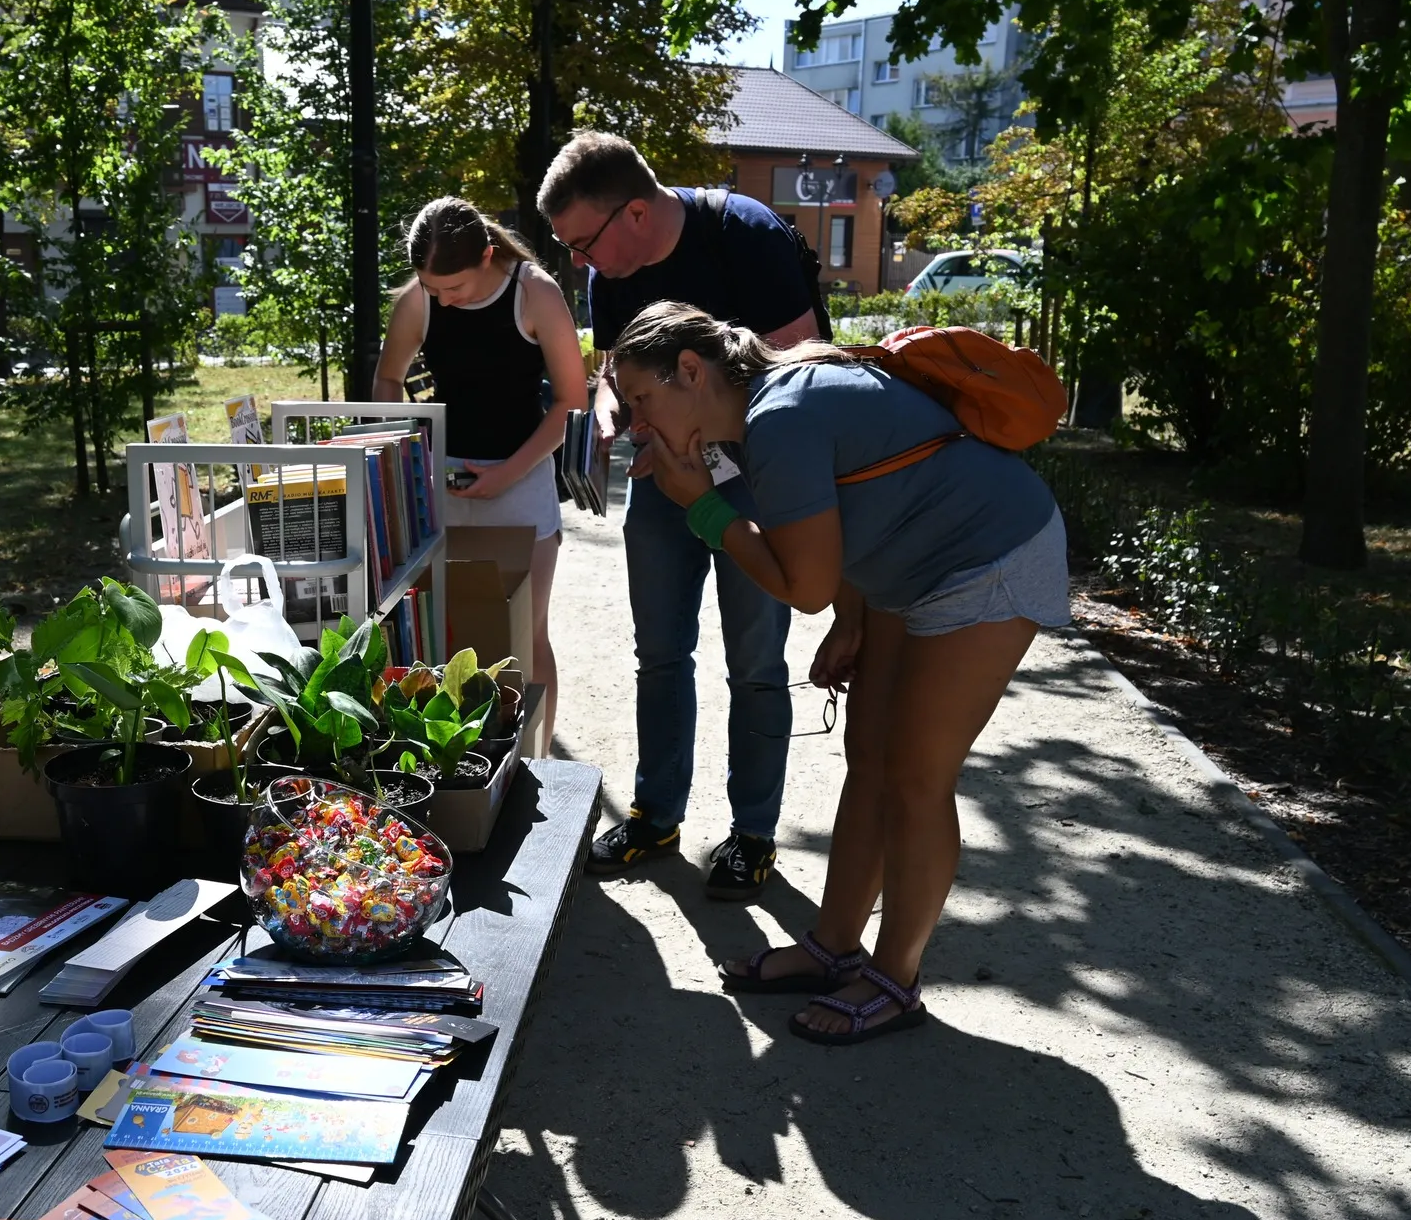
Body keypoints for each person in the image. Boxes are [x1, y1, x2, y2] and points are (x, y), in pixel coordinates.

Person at [606, 302, 1069, 1045]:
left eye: (641, 399)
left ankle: (896, 980)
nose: (637, 424)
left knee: (915, 779)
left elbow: (804, 586)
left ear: (691, 371)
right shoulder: (757, 415)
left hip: (986, 559)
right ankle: (833, 946)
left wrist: (705, 508)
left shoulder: (780, 418)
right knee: (869, 758)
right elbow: (849, 508)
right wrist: (853, 623)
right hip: (907, 567)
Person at [536, 131, 819, 900]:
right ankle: (656, 815)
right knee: (660, 654)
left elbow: (805, 373)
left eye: (584, 242)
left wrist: (711, 456)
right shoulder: (609, 272)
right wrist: (606, 414)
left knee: (755, 664)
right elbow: (612, 371)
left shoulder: (745, 235)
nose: (582, 263)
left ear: (634, 212)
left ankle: (752, 833)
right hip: (663, 481)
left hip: (755, 484)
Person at [376, 196, 588, 747]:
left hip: (524, 479)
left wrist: (509, 473)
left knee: (526, 636)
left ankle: (537, 760)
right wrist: (411, 457)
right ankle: (456, 759)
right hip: (441, 486)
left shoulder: (534, 291)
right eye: (433, 289)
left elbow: (571, 401)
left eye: (455, 288)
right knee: (446, 635)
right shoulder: (420, 299)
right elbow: (387, 380)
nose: (443, 300)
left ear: (488, 255)